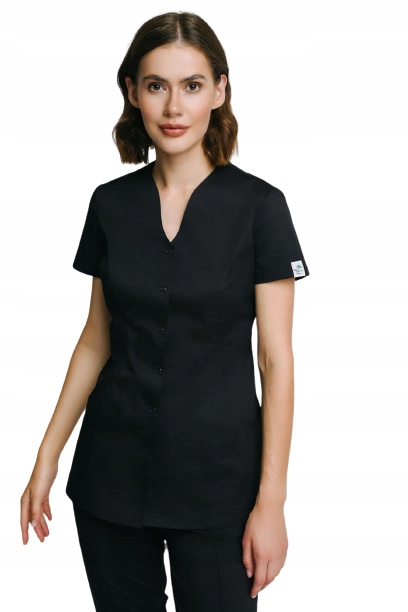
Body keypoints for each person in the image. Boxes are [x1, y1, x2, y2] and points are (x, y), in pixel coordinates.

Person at [20, 11, 310, 610]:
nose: (174, 106)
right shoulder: (110, 204)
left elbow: (276, 362)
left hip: (220, 485)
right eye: (156, 85)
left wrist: (272, 503)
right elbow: (96, 338)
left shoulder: (261, 207)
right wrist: (46, 457)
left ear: (220, 91)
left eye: (192, 85)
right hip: (110, 476)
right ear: (133, 92)